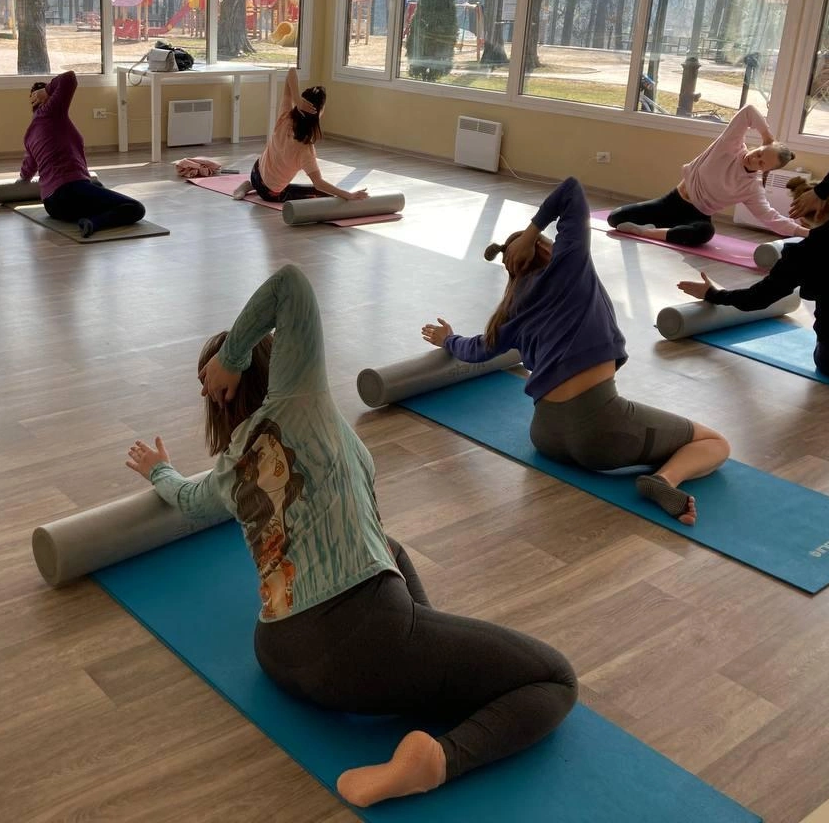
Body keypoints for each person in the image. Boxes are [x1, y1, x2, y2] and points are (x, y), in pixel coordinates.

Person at [125, 264, 576, 808]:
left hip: (279, 653)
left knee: (390, 548)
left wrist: (158, 470)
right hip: (361, 641)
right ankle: (437, 760)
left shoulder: (227, 469)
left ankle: (427, 662)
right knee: (555, 678)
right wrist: (233, 355)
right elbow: (290, 285)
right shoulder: (300, 400)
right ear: (275, 370)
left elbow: (187, 501)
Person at [423, 177, 730, 525]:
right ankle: (663, 480)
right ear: (544, 247)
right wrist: (532, 230)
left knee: (625, 422)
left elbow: (476, 350)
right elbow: (571, 191)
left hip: (545, 436)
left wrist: (447, 339)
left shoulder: (512, 312)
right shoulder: (570, 265)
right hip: (600, 435)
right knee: (714, 443)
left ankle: (644, 460)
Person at [680, 150, 829, 388]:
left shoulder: (799, 255)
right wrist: (820, 191)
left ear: (802, 220)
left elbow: (757, 299)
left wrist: (713, 294)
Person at [608, 104, 805, 247]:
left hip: (696, 215)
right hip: (672, 202)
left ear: (765, 170)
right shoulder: (730, 146)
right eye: (759, 153)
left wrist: (806, 232)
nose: (754, 159)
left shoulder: (752, 188)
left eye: (761, 163)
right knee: (615, 218)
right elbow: (748, 111)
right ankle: (665, 230)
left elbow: (770, 218)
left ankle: (647, 232)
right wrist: (767, 136)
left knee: (705, 232)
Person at [18, 71, 145, 238]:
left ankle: (89, 214)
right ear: (46, 98)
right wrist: (47, 91)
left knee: (98, 187)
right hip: (70, 192)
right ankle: (94, 223)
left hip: (53, 206)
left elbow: (27, 171)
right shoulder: (52, 111)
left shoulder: (29, 135)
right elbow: (69, 78)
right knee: (135, 208)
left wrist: (20, 182)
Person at [231, 68, 368, 203]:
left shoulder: (285, 117)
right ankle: (252, 187)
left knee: (276, 178)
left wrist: (296, 99)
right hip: (269, 194)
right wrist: (348, 195)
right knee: (320, 192)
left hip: (255, 172)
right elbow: (318, 183)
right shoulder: (305, 149)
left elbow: (291, 71)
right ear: (319, 112)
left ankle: (250, 185)